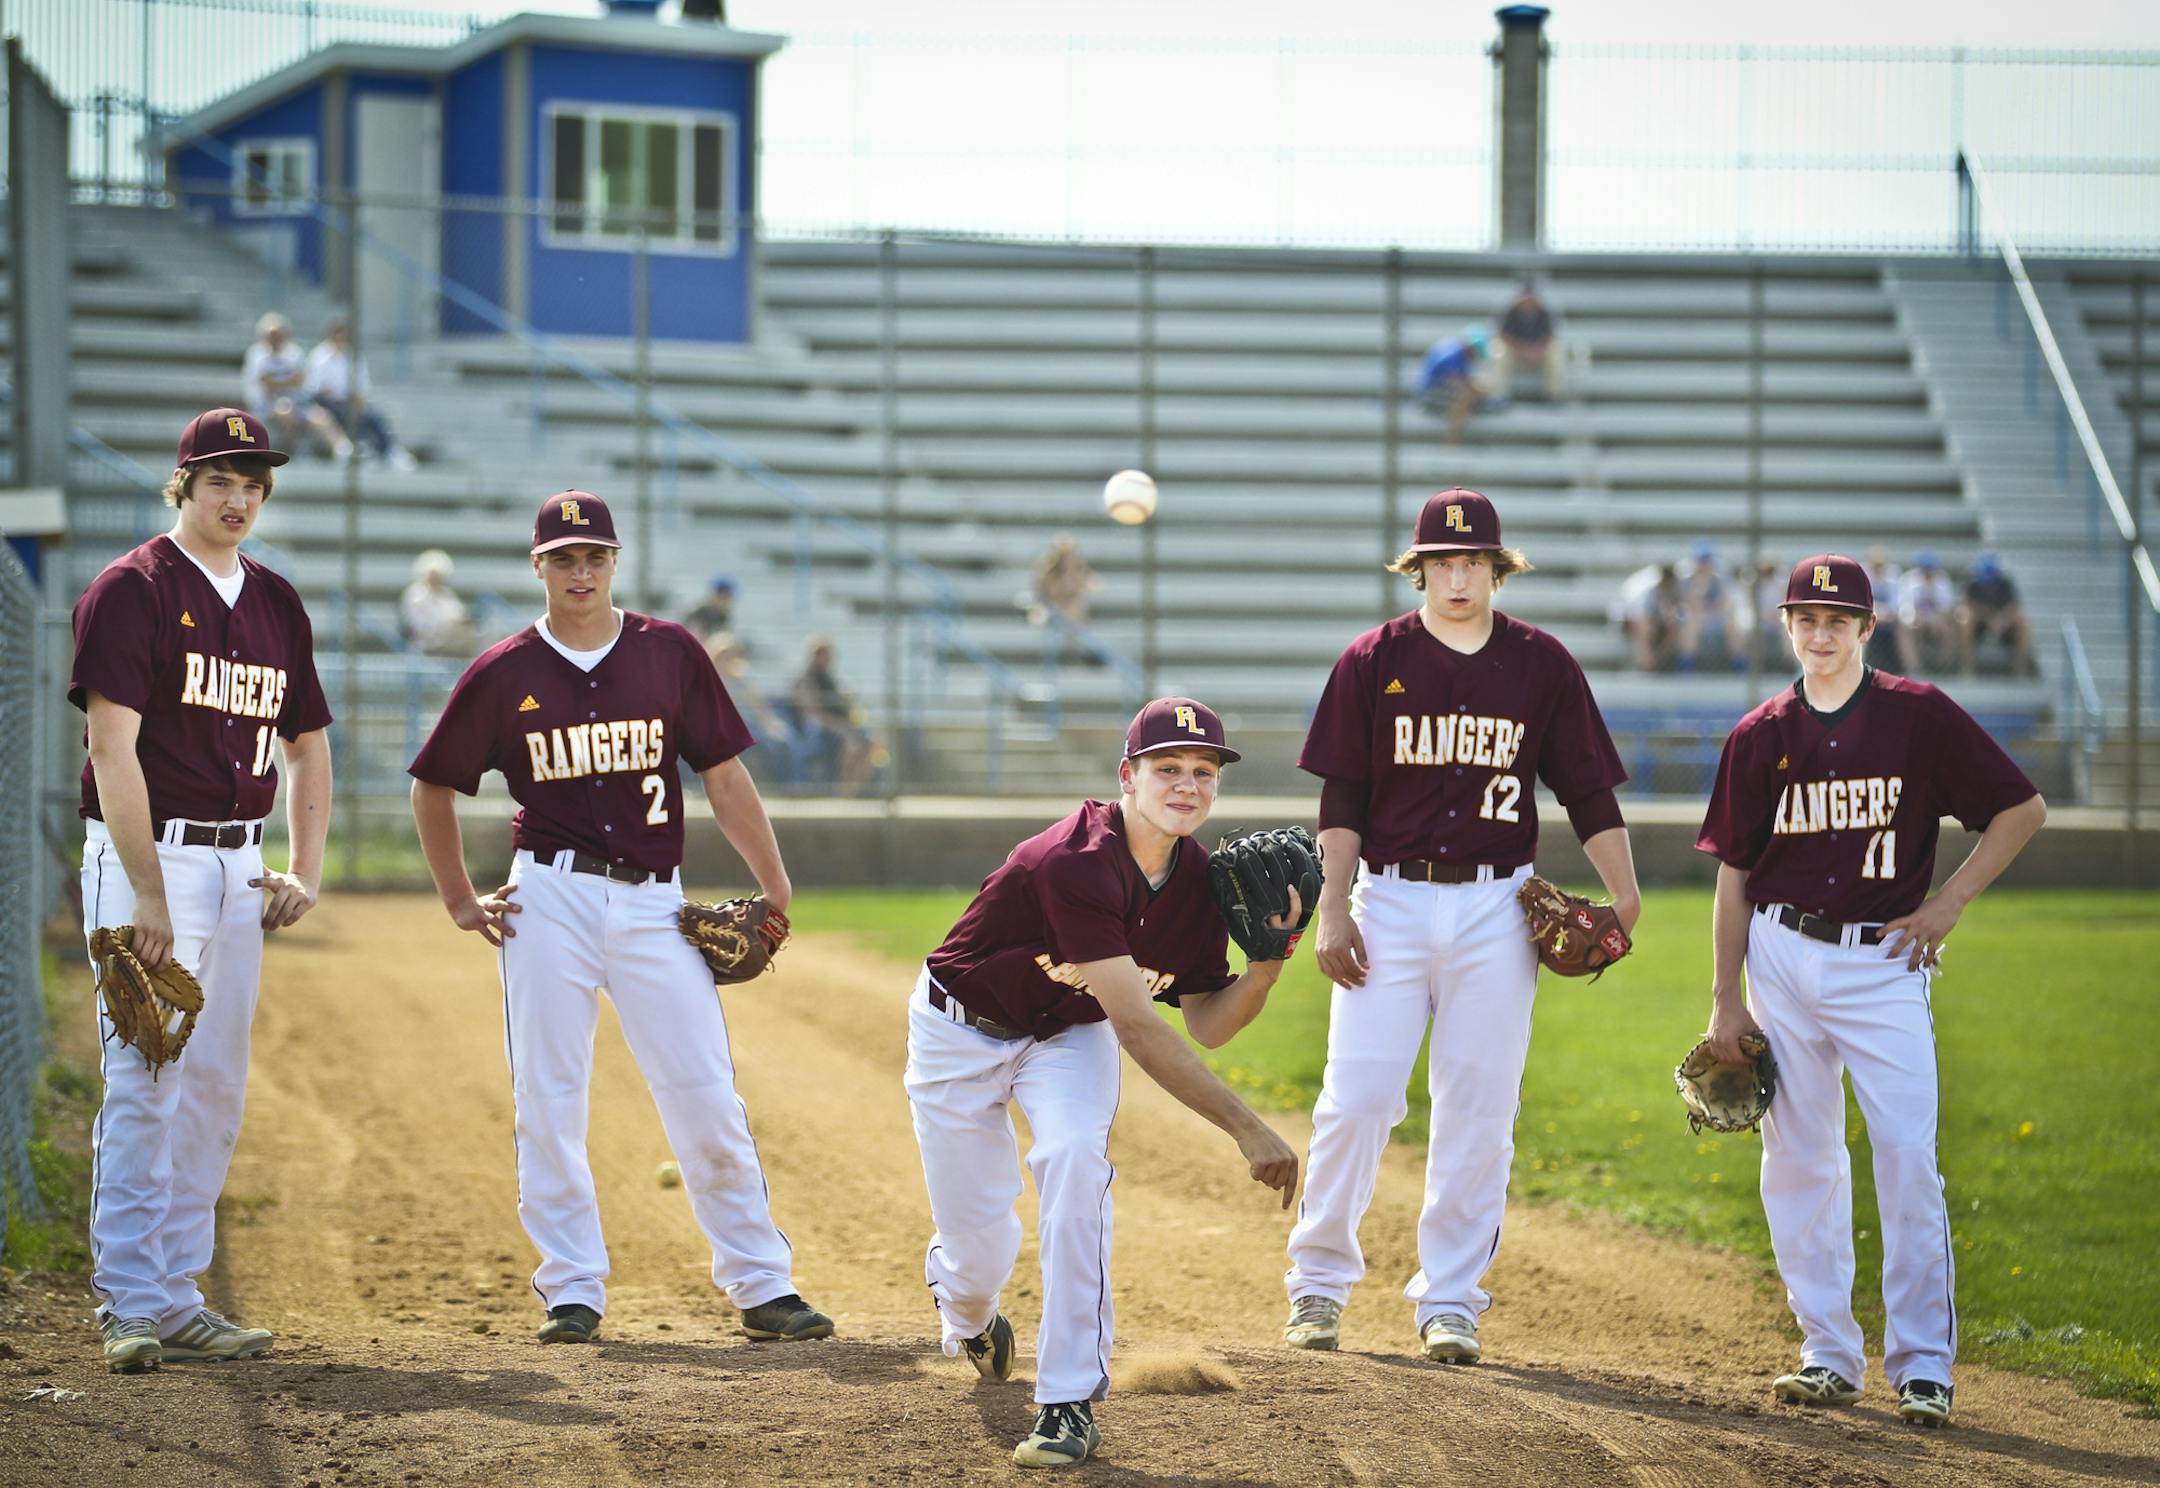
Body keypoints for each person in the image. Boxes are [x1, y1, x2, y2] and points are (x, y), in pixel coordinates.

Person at [408, 490, 832, 1349]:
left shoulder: (668, 652)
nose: (581, 571)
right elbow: (434, 785)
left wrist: (774, 881)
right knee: (548, 1098)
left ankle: (761, 1285)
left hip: (652, 900)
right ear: (539, 566)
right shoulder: (503, 671)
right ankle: (572, 1288)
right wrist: (458, 896)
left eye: (594, 555)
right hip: (548, 898)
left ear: (615, 560)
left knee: (705, 1092)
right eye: (564, 557)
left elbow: (722, 775)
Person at [1283, 487, 1640, 1364]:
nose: (1456, 576)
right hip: (1391, 898)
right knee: (1359, 1099)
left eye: (1472, 560)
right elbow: (1344, 797)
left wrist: (1623, 895)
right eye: (1441, 562)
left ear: (1496, 567)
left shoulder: (1542, 665)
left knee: (1480, 1110)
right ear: (1419, 570)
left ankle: (1450, 1302)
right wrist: (1334, 906)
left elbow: (1586, 790)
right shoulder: (1371, 661)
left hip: (1497, 906)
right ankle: (1318, 1286)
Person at [1695, 554, 2046, 1428]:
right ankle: (1828, 1351)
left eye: (1838, 621)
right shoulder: (1760, 734)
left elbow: (2021, 807)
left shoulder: (1918, 717)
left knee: (1905, 1155)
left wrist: (1950, 902)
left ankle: (1924, 1365)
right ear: (1786, 627)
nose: (1820, 635)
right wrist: (1724, 998)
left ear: (1866, 629)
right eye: (1805, 620)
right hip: (1780, 955)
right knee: (1800, 1157)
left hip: (1884, 962)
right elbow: (1735, 876)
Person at [906, 697, 1301, 1468]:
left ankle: (1067, 1400)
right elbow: (1139, 1027)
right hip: (961, 1030)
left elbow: (1210, 1022)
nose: (1186, 785)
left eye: (1202, 772)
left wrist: (1269, 963)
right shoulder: (1076, 860)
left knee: (1075, 1165)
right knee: (976, 1251)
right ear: (1128, 776)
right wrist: (1247, 1127)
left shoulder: (1202, 883)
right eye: (1167, 769)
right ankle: (969, 1309)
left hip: (1067, 1037)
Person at [69, 407, 333, 1373]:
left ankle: (179, 1295)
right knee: (145, 1076)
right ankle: (128, 1301)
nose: (240, 498)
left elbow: (308, 747)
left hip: (237, 863)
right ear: (182, 485)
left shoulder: (276, 603)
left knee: (214, 1083)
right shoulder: (130, 590)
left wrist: (304, 865)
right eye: (221, 480)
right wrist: (146, 893)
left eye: (254, 483)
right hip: (153, 858)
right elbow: (111, 749)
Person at [304, 316, 418, 471]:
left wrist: (357, 405)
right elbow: (314, 389)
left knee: (375, 418)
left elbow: (362, 388)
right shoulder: (319, 356)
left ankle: (391, 452)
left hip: (350, 403)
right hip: (326, 403)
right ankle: (349, 452)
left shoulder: (355, 357)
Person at [240, 312, 340, 458]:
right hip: (265, 406)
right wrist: (287, 381)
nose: (276, 339)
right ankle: (294, 451)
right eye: (272, 335)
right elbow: (265, 385)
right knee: (285, 411)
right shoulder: (257, 354)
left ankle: (343, 451)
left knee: (321, 417)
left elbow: (301, 382)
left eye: (280, 334)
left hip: (297, 403)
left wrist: (277, 382)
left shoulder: (295, 352)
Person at [790, 635, 876, 794]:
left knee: (870, 742)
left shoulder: (830, 678)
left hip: (839, 725)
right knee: (852, 745)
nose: (827, 659)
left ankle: (855, 788)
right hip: (820, 729)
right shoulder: (807, 679)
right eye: (822, 654)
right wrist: (841, 727)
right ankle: (842, 789)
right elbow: (813, 714)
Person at [1029, 533, 1103, 671]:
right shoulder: (1046, 570)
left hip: (1071, 614)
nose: (1066, 557)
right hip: (1052, 611)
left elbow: (1094, 586)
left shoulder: (1079, 570)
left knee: (1075, 612)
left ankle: (1076, 654)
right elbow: (1043, 594)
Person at [1959, 551, 2036, 676]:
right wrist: (1989, 617)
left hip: (2003, 625)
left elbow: (2014, 607)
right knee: (1965, 619)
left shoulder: (2006, 584)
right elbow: (1967, 606)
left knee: (2024, 622)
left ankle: (2019, 667)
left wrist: (2002, 620)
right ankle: (1967, 666)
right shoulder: (1972, 584)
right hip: (1980, 625)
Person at [1411, 326, 1492, 443]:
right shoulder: (1452, 355)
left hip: (1439, 389)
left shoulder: (1455, 350)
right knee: (1466, 396)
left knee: (1472, 393)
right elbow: (1457, 383)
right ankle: (1452, 436)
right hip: (1429, 394)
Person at [1493, 280, 1567, 401]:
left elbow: (1549, 336)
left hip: (1539, 354)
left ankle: (1555, 394)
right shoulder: (1510, 312)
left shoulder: (1544, 313)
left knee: (1556, 351)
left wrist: (1537, 351)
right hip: (1516, 353)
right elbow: (1504, 336)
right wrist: (1524, 351)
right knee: (1500, 351)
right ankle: (1498, 395)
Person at [399, 548, 477, 657]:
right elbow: (418, 624)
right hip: (426, 641)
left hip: (449, 638)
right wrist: (445, 627)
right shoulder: (416, 594)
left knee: (475, 634)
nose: (436, 579)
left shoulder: (447, 593)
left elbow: (459, 615)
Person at [1675, 538, 1737, 672]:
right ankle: (1687, 665)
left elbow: (1724, 602)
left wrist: (1710, 608)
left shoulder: (1720, 578)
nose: (1704, 563)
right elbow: (1689, 603)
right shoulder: (1687, 578)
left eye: (1707, 559)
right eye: (1701, 560)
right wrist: (1701, 583)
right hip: (1695, 616)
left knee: (1731, 623)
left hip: (1714, 615)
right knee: (1693, 623)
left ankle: (1739, 663)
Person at [1608, 561, 1683, 671]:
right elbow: (1639, 618)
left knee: (1673, 627)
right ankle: (1645, 664)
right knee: (1645, 628)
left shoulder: (1664, 585)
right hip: (1626, 620)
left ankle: (1657, 662)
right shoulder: (1645, 589)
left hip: (1648, 619)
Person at [1895, 551, 1957, 675]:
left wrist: (1937, 619)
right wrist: (1916, 617)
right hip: (1915, 620)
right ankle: (1914, 667)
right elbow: (1904, 606)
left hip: (1937, 620)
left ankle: (1944, 666)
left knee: (1950, 628)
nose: (1928, 572)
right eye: (1925, 569)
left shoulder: (1942, 580)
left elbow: (1948, 608)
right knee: (1904, 629)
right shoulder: (1908, 580)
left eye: (1930, 569)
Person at [683, 574, 740, 650]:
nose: (727, 601)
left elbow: (727, 638)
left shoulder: (724, 616)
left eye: (729, 597)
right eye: (724, 597)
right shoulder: (697, 613)